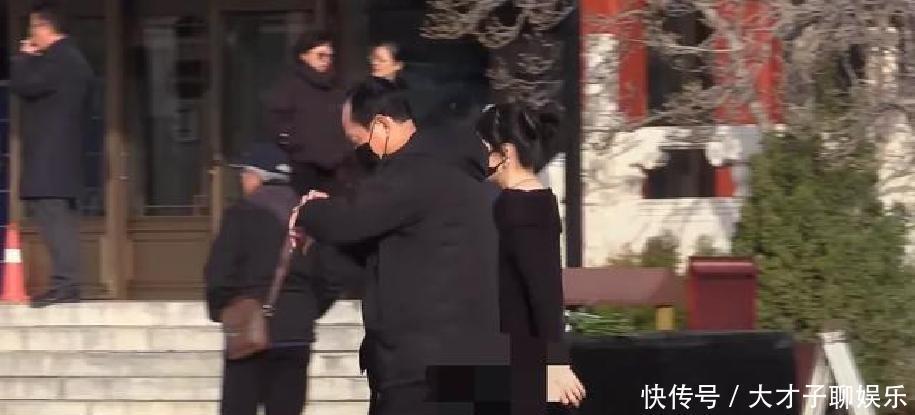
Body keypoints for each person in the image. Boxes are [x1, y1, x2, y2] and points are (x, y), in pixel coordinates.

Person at [296, 78, 506, 415]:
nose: (357, 154)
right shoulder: (455, 174)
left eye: (357, 141)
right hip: (472, 364)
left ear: (381, 125)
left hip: (424, 373)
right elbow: (360, 243)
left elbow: (348, 219)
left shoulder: (412, 173)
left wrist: (308, 211)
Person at [204, 142, 342, 415]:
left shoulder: (241, 214)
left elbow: (218, 274)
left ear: (257, 177)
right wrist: (307, 308)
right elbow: (333, 275)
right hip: (296, 332)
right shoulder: (309, 215)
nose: (242, 180)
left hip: (248, 332)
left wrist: (224, 311)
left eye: (244, 174)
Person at [477, 103, 587, 413]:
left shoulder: (521, 207)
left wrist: (556, 363)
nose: (479, 157)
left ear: (506, 153)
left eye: (484, 148)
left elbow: (545, 291)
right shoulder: (527, 203)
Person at [9, 1, 93, 308]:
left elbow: (24, 85)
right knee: (61, 222)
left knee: (55, 221)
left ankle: (65, 284)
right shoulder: (75, 60)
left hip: (51, 158)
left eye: (33, 28)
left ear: (45, 27)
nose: (30, 35)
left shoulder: (59, 61)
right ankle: (66, 283)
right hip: (64, 158)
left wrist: (23, 58)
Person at [264, 31, 350, 196]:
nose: (326, 60)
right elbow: (277, 123)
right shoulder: (289, 86)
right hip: (305, 168)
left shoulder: (337, 87)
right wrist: (300, 145)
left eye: (329, 56)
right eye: (321, 55)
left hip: (337, 168)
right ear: (304, 55)